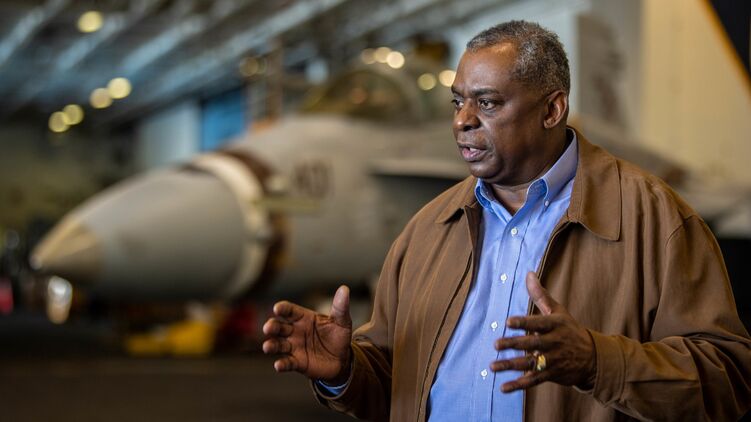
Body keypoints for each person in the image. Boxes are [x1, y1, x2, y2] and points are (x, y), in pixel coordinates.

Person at [262, 20, 751, 421]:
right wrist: (346, 370)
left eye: (488, 103)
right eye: (458, 102)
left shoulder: (655, 219)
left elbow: (728, 381)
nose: (462, 121)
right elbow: (397, 386)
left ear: (552, 110)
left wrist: (597, 362)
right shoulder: (427, 230)